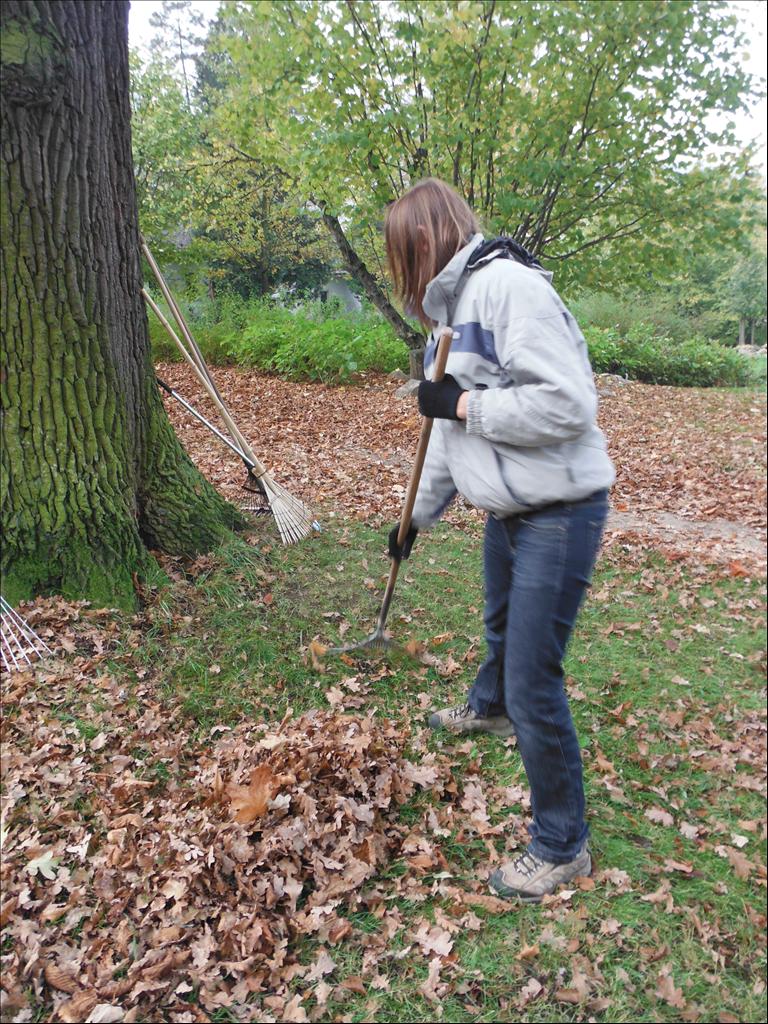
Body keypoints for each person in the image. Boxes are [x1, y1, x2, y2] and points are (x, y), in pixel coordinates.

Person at [383, 178, 615, 903]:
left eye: (402, 254)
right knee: (500, 629)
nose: (401, 272)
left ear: (426, 240)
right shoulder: (447, 316)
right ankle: (488, 709)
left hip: (560, 510)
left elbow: (569, 405)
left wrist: (462, 404)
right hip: (507, 509)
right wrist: (413, 521)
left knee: (533, 680)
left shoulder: (510, 288)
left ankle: (561, 844)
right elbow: (445, 442)